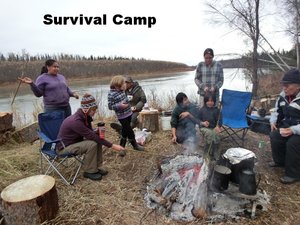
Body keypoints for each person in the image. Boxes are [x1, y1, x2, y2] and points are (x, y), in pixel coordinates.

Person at [57, 93, 125, 181]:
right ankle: (89, 171)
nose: (95, 111)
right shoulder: (76, 121)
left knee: (97, 140)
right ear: (86, 109)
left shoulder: (85, 117)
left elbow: (90, 133)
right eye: (93, 109)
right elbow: (91, 136)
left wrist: (96, 131)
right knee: (92, 143)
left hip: (75, 142)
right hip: (64, 147)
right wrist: (113, 146)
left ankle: (97, 166)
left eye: (95, 109)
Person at [269, 68, 300, 184]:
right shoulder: (283, 96)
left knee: (293, 143)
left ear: (298, 85)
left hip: (298, 130)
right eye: (283, 85)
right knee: (275, 136)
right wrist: (273, 121)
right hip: (288, 126)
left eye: (287, 85)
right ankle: (280, 161)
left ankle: (293, 174)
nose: (284, 88)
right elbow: (276, 111)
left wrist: (293, 130)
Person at [108, 75, 144, 151]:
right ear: (117, 85)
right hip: (121, 116)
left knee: (124, 130)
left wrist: (130, 103)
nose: (125, 85)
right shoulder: (111, 94)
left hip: (129, 113)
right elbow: (110, 106)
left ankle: (122, 147)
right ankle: (135, 146)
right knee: (129, 130)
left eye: (125, 83)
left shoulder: (122, 91)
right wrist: (120, 106)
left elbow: (127, 101)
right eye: (123, 84)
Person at [198, 93, 222, 160]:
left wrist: (218, 126)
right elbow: (197, 120)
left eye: (212, 101)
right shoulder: (202, 110)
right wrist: (202, 123)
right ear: (205, 101)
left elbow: (220, 120)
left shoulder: (216, 110)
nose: (210, 102)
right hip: (204, 128)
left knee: (216, 135)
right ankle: (206, 154)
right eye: (208, 101)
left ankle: (216, 154)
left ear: (214, 101)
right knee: (210, 134)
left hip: (213, 128)